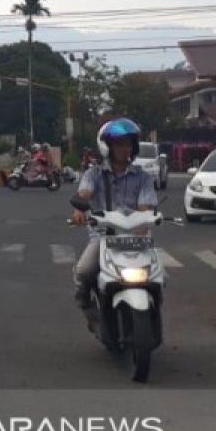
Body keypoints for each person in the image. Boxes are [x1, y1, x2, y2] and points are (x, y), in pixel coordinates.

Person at [69, 118, 158, 309]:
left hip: (136, 237)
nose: (124, 148)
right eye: (118, 144)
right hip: (103, 237)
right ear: (107, 147)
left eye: (128, 144)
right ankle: (85, 302)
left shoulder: (143, 177)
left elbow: (145, 206)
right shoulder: (93, 174)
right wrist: (79, 209)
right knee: (84, 271)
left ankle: (154, 309)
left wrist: (144, 223)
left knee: (157, 277)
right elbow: (84, 193)